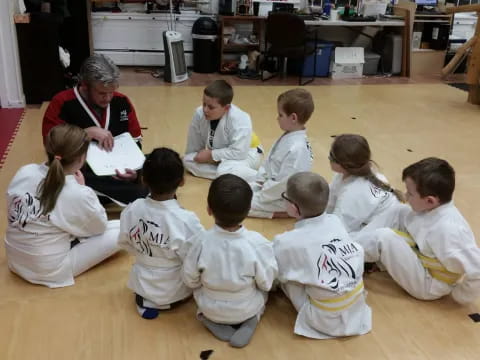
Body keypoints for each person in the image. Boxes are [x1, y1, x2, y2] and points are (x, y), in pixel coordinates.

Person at [5, 124, 120, 288]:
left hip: (16, 259)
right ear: (82, 158)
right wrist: (83, 188)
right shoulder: (76, 192)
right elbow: (99, 227)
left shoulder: (25, 171)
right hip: (48, 269)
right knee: (120, 228)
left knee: (60, 220)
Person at [355, 157, 480, 304]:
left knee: (384, 237)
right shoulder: (432, 210)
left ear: (430, 201)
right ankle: (353, 243)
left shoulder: (450, 231)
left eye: (410, 194)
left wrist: (460, 296)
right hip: (421, 256)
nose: (406, 196)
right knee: (399, 211)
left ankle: (345, 256)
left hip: (428, 284)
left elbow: (477, 270)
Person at [182, 174, 278, 348]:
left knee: (199, 290)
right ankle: (251, 321)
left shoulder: (199, 241)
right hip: (246, 307)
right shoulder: (257, 243)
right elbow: (266, 283)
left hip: (210, 306)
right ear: (249, 210)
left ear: (209, 209)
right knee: (264, 294)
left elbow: (190, 279)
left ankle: (208, 319)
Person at [273, 172, 372, 339]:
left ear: (294, 208)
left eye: (285, 197)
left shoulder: (286, 241)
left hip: (324, 320)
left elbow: (275, 270)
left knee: (283, 275)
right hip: (357, 309)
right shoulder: (335, 221)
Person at [42, 54, 148, 205]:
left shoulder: (122, 101)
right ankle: (134, 193)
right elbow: (52, 147)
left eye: (111, 92)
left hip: (116, 169)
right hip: (80, 170)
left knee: (162, 161)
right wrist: (85, 134)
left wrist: (134, 172)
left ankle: (118, 191)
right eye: (102, 93)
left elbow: (135, 140)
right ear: (84, 85)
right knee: (65, 177)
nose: (108, 98)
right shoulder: (62, 102)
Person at [118, 147, 205, 319]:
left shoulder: (132, 209)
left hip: (142, 280)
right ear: (182, 182)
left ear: (143, 180)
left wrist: (147, 251)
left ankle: (147, 301)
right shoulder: (186, 220)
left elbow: (124, 242)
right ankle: (170, 301)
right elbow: (198, 254)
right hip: (177, 289)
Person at [248, 88, 314, 218]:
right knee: (237, 188)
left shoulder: (297, 148)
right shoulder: (289, 136)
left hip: (285, 197)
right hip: (270, 187)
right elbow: (270, 161)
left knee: (238, 204)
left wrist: (263, 192)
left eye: (280, 115)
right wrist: (260, 180)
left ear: (293, 118)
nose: (277, 118)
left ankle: (285, 213)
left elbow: (286, 183)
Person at [184, 80, 263, 182]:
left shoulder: (241, 118)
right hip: (221, 156)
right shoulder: (199, 114)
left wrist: (212, 155)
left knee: (224, 169)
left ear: (226, 107)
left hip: (248, 154)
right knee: (187, 160)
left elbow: (239, 153)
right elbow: (194, 149)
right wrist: (204, 157)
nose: (205, 110)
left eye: (211, 107)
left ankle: (260, 178)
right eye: (204, 104)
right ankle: (233, 174)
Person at [326, 134, 403, 234]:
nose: (328, 158)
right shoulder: (346, 174)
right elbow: (329, 202)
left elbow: (338, 229)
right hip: (370, 220)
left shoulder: (355, 192)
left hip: (384, 231)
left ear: (344, 164)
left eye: (331, 155)